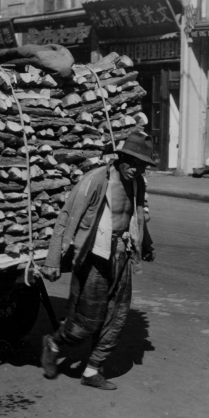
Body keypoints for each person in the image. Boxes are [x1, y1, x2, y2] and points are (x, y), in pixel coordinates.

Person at [40, 130, 156, 390]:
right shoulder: (95, 181)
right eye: (132, 162)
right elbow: (66, 217)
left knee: (117, 316)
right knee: (87, 321)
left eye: (142, 165)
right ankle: (54, 343)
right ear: (121, 157)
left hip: (122, 253)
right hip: (94, 254)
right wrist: (53, 260)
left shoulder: (138, 182)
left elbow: (136, 215)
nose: (136, 169)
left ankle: (92, 370)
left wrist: (145, 245)